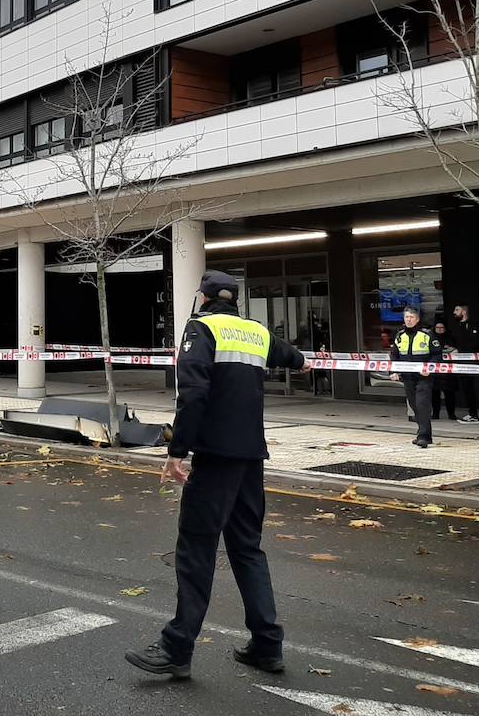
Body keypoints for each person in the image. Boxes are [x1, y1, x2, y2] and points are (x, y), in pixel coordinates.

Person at [126, 270, 305, 680]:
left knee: (195, 551)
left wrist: (176, 452)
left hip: (214, 459)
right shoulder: (256, 332)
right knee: (247, 549)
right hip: (250, 460)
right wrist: (303, 361)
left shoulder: (201, 329)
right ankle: (267, 644)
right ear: (235, 300)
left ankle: (176, 648)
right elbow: (296, 358)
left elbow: (192, 394)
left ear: (204, 299)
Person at [390, 305, 442, 447]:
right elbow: (394, 354)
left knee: (422, 404)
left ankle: (423, 437)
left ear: (417, 319)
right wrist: (394, 371)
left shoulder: (427, 334)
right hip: (407, 377)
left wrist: (429, 368)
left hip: (424, 376)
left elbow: (437, 354)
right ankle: (424, 434)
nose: (409, 320)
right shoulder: (400, 335)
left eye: (412, 317)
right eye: (407, 317)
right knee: (414, 405)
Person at [449, 303, 479, 423]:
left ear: (463, 312)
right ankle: (471, 413)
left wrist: (460, 349)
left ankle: (474, 415)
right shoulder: (457, 325)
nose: (454, 312)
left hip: (469, 361)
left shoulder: (472, 325)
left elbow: (475, 343)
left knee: (470, 387)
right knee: (464, 387)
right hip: (459, 361)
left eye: (457, 310)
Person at [430, 317, 459, 422]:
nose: (440, 329)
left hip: (448, 370)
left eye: (442, 327)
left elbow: (456, 350)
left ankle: (451, 414)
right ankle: (435, 413)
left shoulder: (451, 338)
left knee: (450, 394)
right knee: (435, 394)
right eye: (437, 327)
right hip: (436, 370)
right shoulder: (431, 338)